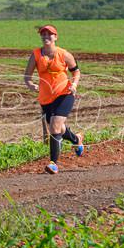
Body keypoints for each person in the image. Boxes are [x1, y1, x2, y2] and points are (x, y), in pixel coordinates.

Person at [24, 25, 85, 174]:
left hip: (64, 93)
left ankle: (53, 163)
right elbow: (27, 76)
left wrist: (75, 84)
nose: (46, 37)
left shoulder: (64, 54)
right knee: (58, 127)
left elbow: (76, 72)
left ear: (55, 37)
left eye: (49, 34)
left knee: (55, 126)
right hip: (45, 97)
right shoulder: (36, 55)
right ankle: (76, 139)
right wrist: (31, 84)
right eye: (43, 34)